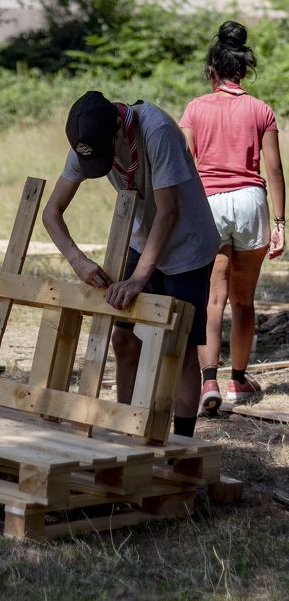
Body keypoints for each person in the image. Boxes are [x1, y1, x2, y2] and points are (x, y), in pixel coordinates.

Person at [42, 90, 220, 438]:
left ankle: (182, 445)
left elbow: (169, 212)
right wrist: (78, 261)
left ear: (119, 131)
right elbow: (51, 213)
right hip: (143, 240)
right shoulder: (87, 142)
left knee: (179, 348)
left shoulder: (157, 131)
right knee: (123, 339)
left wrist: (138, 279)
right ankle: (124, 433)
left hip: (187, 245)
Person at [180, 20, 286, 415]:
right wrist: (280, 222)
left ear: (212, 70)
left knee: (213, 297)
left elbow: (185, 164)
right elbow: (274, 168)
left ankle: (208, 381)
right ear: (242, 71)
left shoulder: (195, 108)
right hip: (250, 202)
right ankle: (238, 380)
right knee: (243, 300)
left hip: (209, 203)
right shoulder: (261, 110)